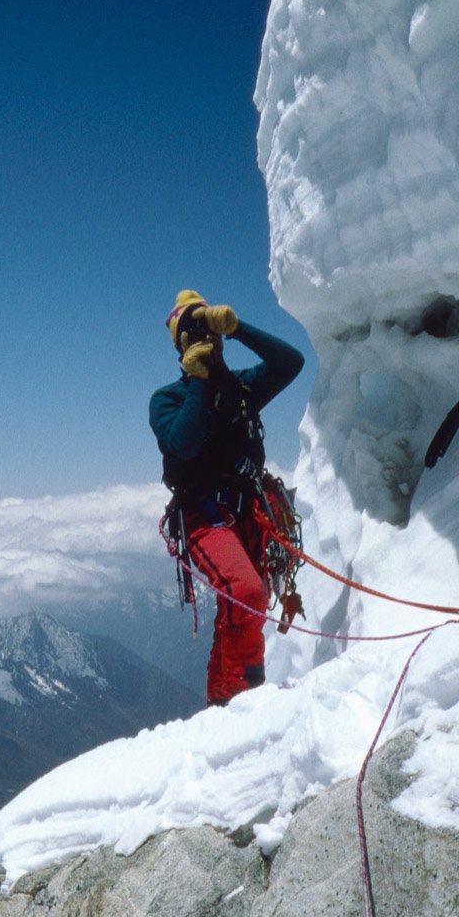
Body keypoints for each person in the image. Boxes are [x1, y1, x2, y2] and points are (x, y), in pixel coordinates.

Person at [150, 290, 305, 706]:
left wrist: (239, 329)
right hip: (203, 516)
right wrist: (198, 381)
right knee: (246, 592)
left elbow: (291, 363)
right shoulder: (169, 400)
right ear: (181, 347)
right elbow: (181, 443)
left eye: (210, 329)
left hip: (247, 517)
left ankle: (220, 705)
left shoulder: (240, 389)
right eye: (194, 333)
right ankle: (244, 698)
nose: (207, 339)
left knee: (237, 606)